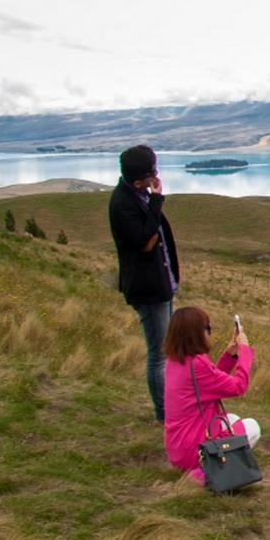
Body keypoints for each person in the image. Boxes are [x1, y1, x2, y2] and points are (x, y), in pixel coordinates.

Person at [108, 144, 178, 422]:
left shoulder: (137, 195)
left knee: (169, 350)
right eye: (153, 171)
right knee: (159, 355)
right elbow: (147, 243)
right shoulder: (123, 204)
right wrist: (157, 200)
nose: (157, 174)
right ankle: (164, 414)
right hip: (148, 289)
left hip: (160, 285)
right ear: (138, 180)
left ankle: (172, 404)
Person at [161, 306, 258, 486]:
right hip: (194, 450)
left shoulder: (174, 360)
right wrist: (244, 349)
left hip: (177, 446)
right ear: (197, 333)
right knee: (253, 427)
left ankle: (203, 468)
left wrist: (231, 353)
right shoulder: (197, 364)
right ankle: (204, 473)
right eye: (208, 329)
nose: (209, 334)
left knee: (232, 419)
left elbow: (210, 383)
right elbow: (239, 386)